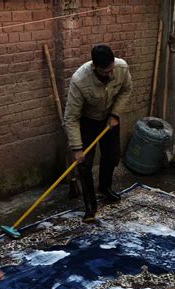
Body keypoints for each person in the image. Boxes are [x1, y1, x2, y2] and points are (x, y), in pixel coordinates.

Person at [63, 44, 132, 222]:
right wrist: (77, 148)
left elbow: (126, 90)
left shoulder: (122, 68)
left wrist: (116, 114)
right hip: (88, 121)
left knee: (112, 156)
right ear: (95, 67)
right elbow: (71, 117)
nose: (110, 74)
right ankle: (90, 204)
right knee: (84, 164)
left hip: (110, 118)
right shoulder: (80, 80)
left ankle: (105, 187)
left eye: (111, 69)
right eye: (105, 71)